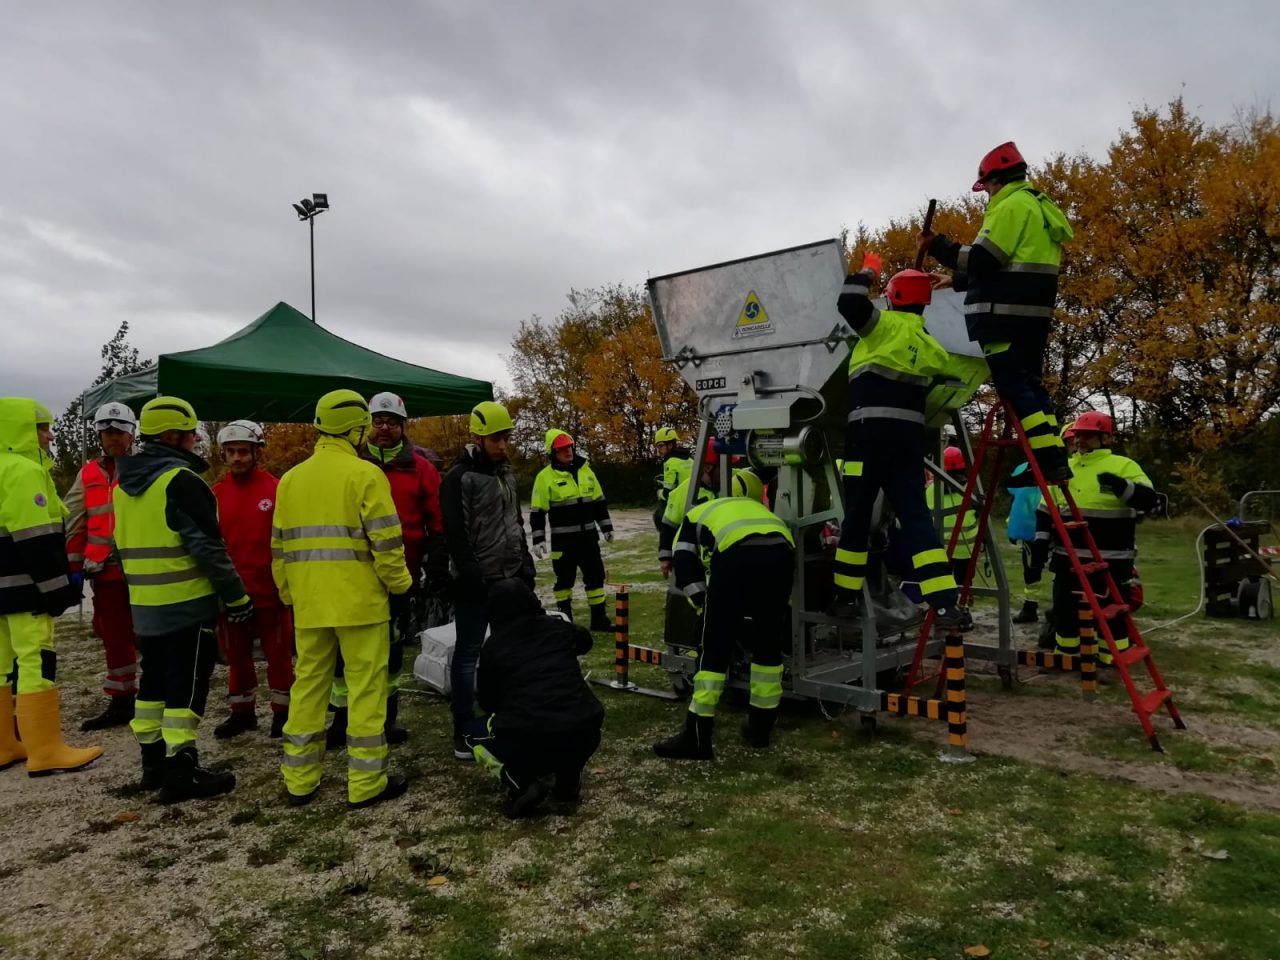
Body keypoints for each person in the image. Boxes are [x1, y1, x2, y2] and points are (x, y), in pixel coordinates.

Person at [272, 390, 412, 808]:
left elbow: (278, 547)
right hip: (361, 604)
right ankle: (367, 784)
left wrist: (289, 593)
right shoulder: (366, 475)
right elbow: (387, 543)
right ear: (355, 428)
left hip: (310, 604)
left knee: (308, 688)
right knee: (366, 689)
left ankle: (299, 780)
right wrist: (401, 586)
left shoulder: (291, 479)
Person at [113, 396, 251, 803]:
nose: (195, 441)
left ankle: (152, 765)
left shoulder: (122, 484)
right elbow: (209, 548)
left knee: (151, 684)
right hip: (187, 605)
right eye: (192, 434)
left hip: (145, 606)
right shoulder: (182, 482)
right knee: (185, 688)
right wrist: (237, 597)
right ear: (175, 436)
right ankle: (182, 770)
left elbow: (122, 548)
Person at [918, 141, 1075, 481]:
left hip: (1001, 319)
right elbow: (1008, 269)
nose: (986, 194)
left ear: (996, 180)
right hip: (1030, 317)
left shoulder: (1010, 207)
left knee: (1015, 389)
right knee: (1033, 386)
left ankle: (1045, 464)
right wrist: (957, 281)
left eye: (986, 186)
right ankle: (1055, 459)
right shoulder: (1039, 208)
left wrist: (937, 245)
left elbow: (985, 259)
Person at [831, 257, 964, 627]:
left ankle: (844, 598)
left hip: (866, 439)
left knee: (856, 517)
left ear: (891, 298)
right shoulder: (932, 347)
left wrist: (868, 272)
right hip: (907, 446)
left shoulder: (882, 327)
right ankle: (943, 604)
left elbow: (849, 303)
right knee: (917, 520)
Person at [322, 391, 443, 748]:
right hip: (351, 573)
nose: (385, 428)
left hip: (399, 575)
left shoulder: (421, 468)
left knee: (390, 649)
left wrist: (434, 566)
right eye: (378, 421)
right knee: (344, 651)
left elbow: (437, 521)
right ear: (367, 425)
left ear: (404, 426)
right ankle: (341, 720)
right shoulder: (351, 463)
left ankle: (386, 720)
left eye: (392, 422)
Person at [0, 398, 101, 775]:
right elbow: (36, 539)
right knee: (35, 662)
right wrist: (57, 589)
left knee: (1, 666)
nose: (49, 434)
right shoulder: (23, 472)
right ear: (20, 430)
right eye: (41, 427)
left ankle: (6, 744)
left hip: (2, 593)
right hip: (24, 589)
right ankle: (45, 750)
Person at [653, 490, 794, 759]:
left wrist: (704, 607)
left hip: (737, 553)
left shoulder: (689, 521)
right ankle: (760, 729)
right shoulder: (739, 506)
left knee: (714, 647)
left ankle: (697, 737)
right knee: (767, 640)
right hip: (782, 550)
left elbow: (685, 566)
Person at [441, 401, 535, 760]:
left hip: (509, 579)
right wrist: (469, 574)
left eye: (506, 438)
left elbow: (515, 523)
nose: (503, 445)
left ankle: (508, 714)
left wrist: (524, 563)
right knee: (468, 653)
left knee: (509, 649)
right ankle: (463, 727)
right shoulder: (459, 478)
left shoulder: (507, 475)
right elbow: (454, 532)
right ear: (478, 437)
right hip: (475, 582)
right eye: (496, 439)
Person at [463, 578, 604, 817]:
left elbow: (487, 700)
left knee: (471, 732)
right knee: (569, 729)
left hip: (532, 737)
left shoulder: (493, 647)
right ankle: (569, 773)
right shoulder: (558, 628)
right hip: (585, 730)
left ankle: (521, 783)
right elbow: (585, 641)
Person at [1035, 412, 1157, 664]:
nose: (1081, 440)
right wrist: (1039, 544)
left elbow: (1149, 501)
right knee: (1065, 610)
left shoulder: (1124, 466)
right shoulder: (1063, 469)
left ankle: (1111, 657)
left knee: (1112, 613)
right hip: (1067, 556)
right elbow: (1045, 512)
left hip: (1111, 557)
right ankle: (1066, 655)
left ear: (1105, 438)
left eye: (1088, 436)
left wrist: (1123, 488)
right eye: (1078, 435)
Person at [210, 420, 294, 740]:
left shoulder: (276, 489)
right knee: (237, 657)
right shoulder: (215, 494)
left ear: (256, 452)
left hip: (271, 592)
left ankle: (283, 714)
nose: (237, 458)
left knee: (279, 656)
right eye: (231, 452)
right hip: (233, 594)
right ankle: (241, 713)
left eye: (243, 451)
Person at [64, 401, 138, 731]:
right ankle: (122, 701)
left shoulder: (144, 467)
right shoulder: (89, 474)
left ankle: (158, 695)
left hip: (142, 568)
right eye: (107, 432)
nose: (113, 438)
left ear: (131, 433)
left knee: (152, 635)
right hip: (104, 571)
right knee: (115, 638)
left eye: (119, 432)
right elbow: (75, 522)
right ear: (99, 435)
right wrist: (73, 567)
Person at [529, 429, 614, 630]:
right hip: (563, 542)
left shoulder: (587, 471)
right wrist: (538, 539)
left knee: (595, 577)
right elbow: (537, 511)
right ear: (552, 452)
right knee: (564, 582)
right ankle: (565, 621)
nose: (568, 452)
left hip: (588, 539)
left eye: (569, 447)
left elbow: (599, 503)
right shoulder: (544, 477)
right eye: (562, 449)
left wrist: (607, 527)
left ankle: (599, 620)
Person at [657, 439, 723, 577]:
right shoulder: (684, 491)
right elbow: (668, 526)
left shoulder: (732, 484)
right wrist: (665, 557)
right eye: (724, 467)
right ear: (708, 468)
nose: (730, 471)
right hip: (694, 561)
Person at [938, 445, 980, 587]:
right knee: (964, 584)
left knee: (943, 584)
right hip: (966, 548)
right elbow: (981, 513)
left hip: (941, 549)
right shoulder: (972, 489)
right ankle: (963, 606)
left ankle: (942, 608)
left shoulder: (932, 490)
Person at [652, 427, 692, 529]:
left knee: (658, 516)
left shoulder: (670, 462)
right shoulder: (690, 459)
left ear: (670, 445)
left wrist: (658, 491)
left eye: (660, 446)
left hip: (680, 508)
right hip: (694, 503)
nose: (658, 450)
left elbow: (667, 494)